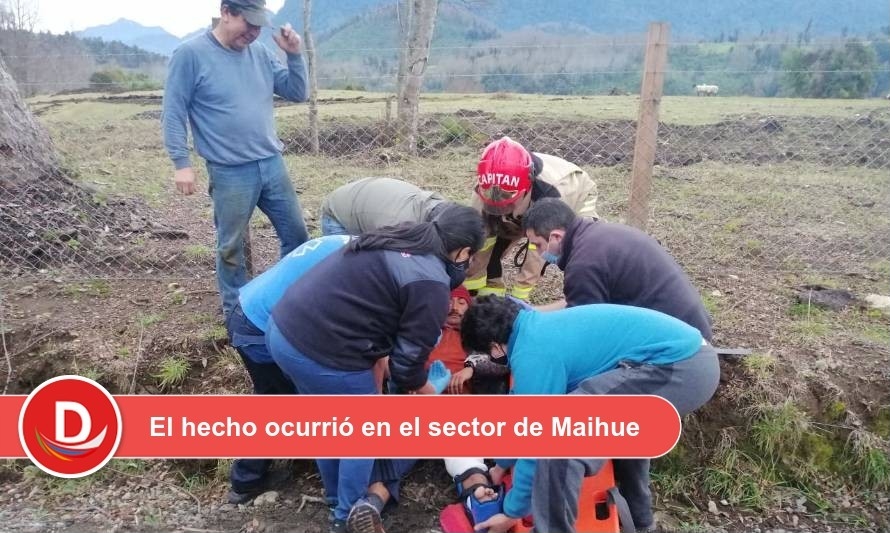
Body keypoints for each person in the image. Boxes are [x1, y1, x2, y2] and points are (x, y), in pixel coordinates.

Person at [266, 204, 485, 533]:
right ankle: (347, 514)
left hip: (285, 330)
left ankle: (337, 501)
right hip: (325, 346)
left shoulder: (400, 238)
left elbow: (380, 330)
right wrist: (426, 389)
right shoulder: (430, 282)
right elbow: (408, 364)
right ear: (463, 251)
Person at [460, 296, 720, 533]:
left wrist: (510, 512)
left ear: (495, 347)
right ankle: (642, 523)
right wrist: (501, 466)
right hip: (687, 358)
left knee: (564, 434)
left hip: (682, 368)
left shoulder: (533, 353)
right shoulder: (535, 329)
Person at [162, 0, 310, 318]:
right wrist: (181, 162)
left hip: (271, 162)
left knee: (296, 235)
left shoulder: (260, 53)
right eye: (249, 24)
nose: (254, 33)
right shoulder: (190, 54)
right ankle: (236, 312)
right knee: (230, 248)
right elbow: (173, 111)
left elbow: (297, 92)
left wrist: (294, 54)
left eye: (259, 26)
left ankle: (287, 300)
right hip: (230, 170)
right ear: (227, 13)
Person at [224, 235, 351, 504]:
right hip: (257, 326)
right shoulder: (357, 269)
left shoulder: (349, 244)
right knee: (280, 404)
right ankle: (246, 482)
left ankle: (263, 473)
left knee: (282, 398)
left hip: (252, 305)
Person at [523, 197, 713, 341]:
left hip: (680, 343)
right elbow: (578, 303)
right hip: (690, 325)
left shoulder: (583, 263)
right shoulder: (594, 236)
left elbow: (584, 329)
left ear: (556, 237)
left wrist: (535, 335)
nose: (539, 253)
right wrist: (533, 313)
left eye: (538, 245)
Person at [465, 136, 598, 301]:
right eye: (492, 197)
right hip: (524, 201)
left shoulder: (553, 193)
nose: (499, 208)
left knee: (574, 246)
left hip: (577, 193)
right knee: (488, 232)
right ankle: (490, 288)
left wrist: (520, 296)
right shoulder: (485, 187)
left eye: (506, 200)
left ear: (527, 187)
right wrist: (469, 288)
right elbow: (479, 236)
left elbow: (540, 250)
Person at [320, 177, 447, 236]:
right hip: (338, 215)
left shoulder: (442, 207)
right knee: (349, 268)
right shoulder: (398, 227)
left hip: (369, 201)